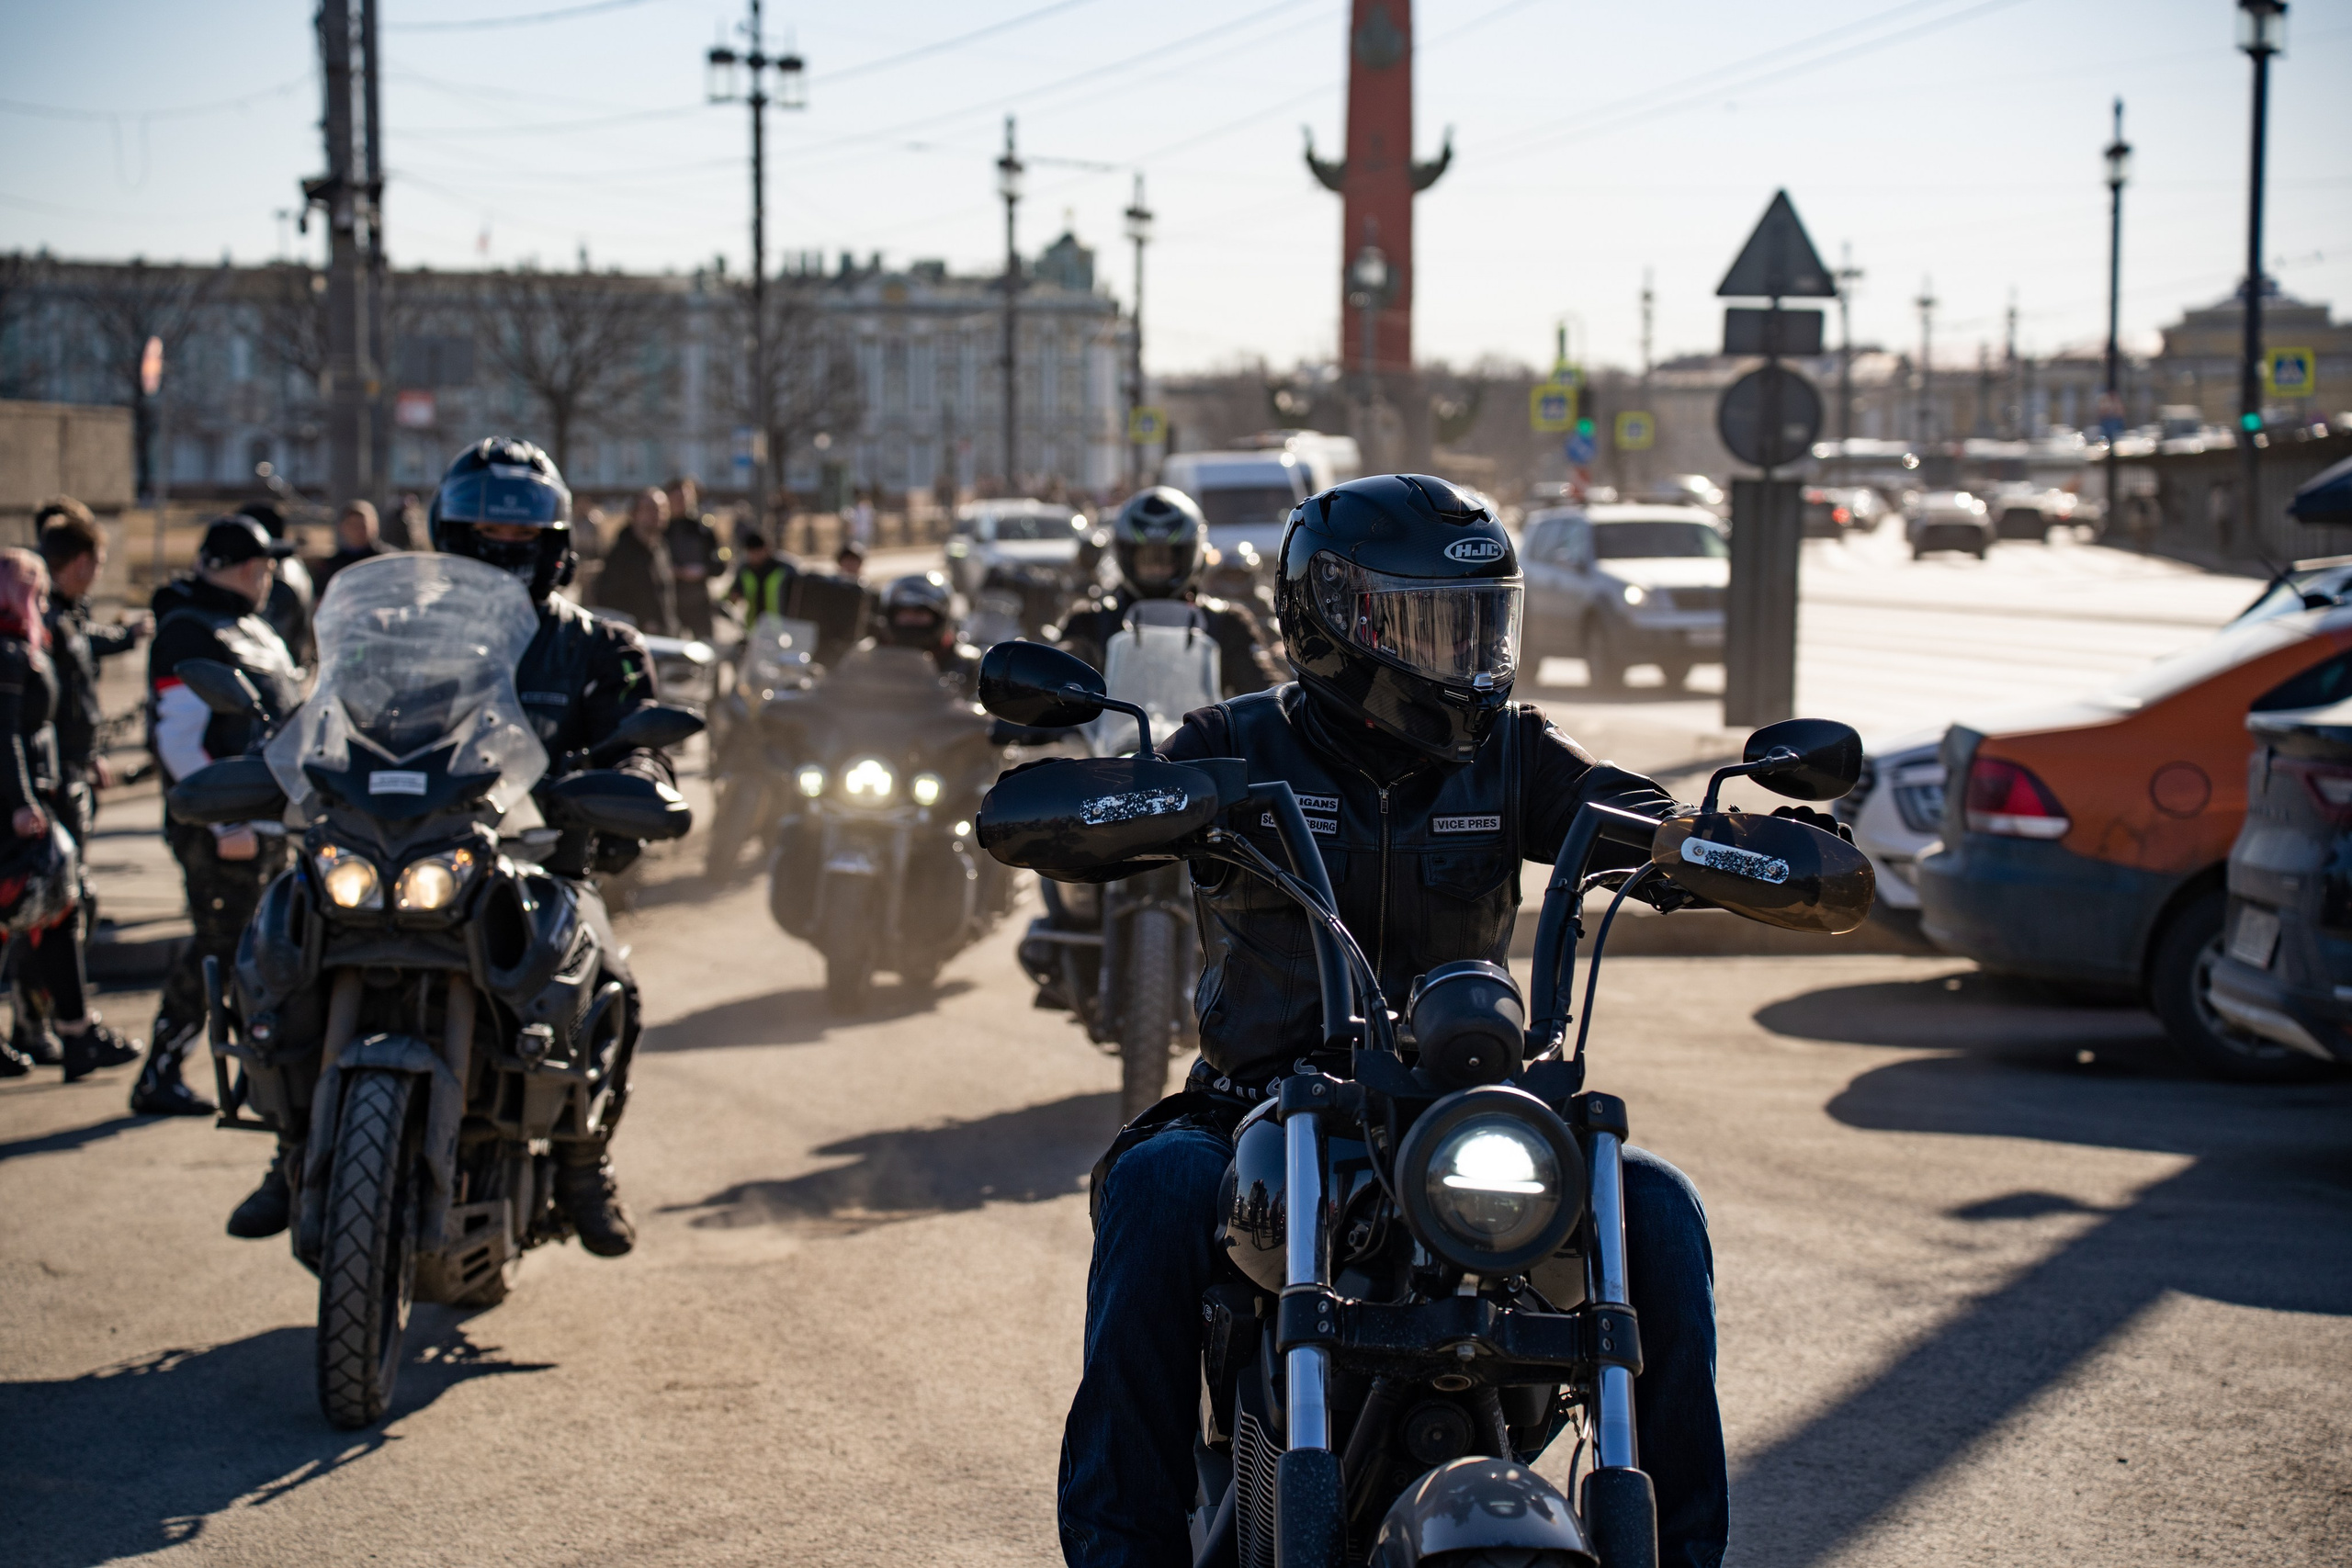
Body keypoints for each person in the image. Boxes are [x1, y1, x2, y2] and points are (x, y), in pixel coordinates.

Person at [1058, 475, 1756, 1568]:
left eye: (1478, 624)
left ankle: (1683, 1554)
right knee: (1155, 1191)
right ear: (1329, 620)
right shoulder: (1235, 740)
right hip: (1261, 1107)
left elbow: (1635, 815)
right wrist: (1087, 805)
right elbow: (1107, 804)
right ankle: (1124, 1553)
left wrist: (1712, 844)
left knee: (1656, 1208)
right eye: (1428, 625)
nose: (1461, 655)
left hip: (1462, 1111)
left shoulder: (1513, 752)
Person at [225, 436, 675, 1251]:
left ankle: (583, 1164)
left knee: (609, 983)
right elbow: (329, 709)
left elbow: (640, 740)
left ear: (554, 543)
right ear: (449, 536)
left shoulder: (600, 647)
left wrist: (635, 777)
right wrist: (275, 753)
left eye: (522, 534)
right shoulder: (394, 632)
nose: (504, 547)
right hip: (403, 846)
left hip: (539, 862)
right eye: (485, 532)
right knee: (281, 939)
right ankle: (291, 1147)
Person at [134, 515, 303, 1116]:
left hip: (271, 818)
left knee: (266, 946)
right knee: (222, 943)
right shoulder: (189, 630)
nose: (267, 577)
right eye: (261, 566)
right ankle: (161, 1067)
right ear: (244, 568)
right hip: (224, 822)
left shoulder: (251, 625)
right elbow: (178, 739)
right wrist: (224, 821)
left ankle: (267, 1066)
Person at [17, 502, 150, 1070]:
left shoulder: (60, 617)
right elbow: (23, 726)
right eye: (95, 561)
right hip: (44, 792)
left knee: (57, 908)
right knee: (54, 908)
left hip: (58, 779)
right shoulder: (31, 632)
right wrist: (31, 795)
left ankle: (48, 1024)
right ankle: (51, 1025)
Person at [1052, 487, 1281, 699]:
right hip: (1112, 732)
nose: (1156, 567)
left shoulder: (1227, 622)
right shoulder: (1088, 623)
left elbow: (1265, 695)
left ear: (1191, 553)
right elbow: (1053, 689)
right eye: (1146, 557)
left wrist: (1277, 706)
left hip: (1200, 731)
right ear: (1126, 554)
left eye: (1167, 557)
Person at [235, 502, 316, 669]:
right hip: (296, 666)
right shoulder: (293, 564)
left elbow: (268, 639)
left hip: (284, 672)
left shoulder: (275, 579)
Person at [874, 571, 980, 697]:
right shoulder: (872, 658)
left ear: (940, 617)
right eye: (904, 613)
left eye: (920, 613)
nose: (911, 619)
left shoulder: (967, 665)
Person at [591, 487, 679, 637]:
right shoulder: (621, 553)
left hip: (665, 637)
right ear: (634, 514)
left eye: (663, 510)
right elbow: (608, 599)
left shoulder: (661, 548)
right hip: (633, 638)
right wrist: (642, 622)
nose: (658, 515)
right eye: (650, 509)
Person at [662, 476, 724, 642]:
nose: (681, 503)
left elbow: (720, 562)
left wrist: (703, 570)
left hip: (699, 602)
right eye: (676, 499)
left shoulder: (703, 528)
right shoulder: (659, 530)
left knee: (706, 647)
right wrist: (667, 571)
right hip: (668, 603)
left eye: (685, 498)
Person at [312, 498, 397, 594]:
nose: (358, 530)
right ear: (342, 527)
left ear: (375, 525)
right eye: (353, 525)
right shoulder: (332, 566)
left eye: (363, 525)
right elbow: (322, 597)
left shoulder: (389, 559)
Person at [727, 526, 797, 624]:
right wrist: (731, 598)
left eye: (758, 551)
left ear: (766, 549)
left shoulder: (784, 569)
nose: (755, 556)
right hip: (755, 627)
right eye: (751, 553)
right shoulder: (744, 571)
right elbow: (733, 592)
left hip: (782, 627)